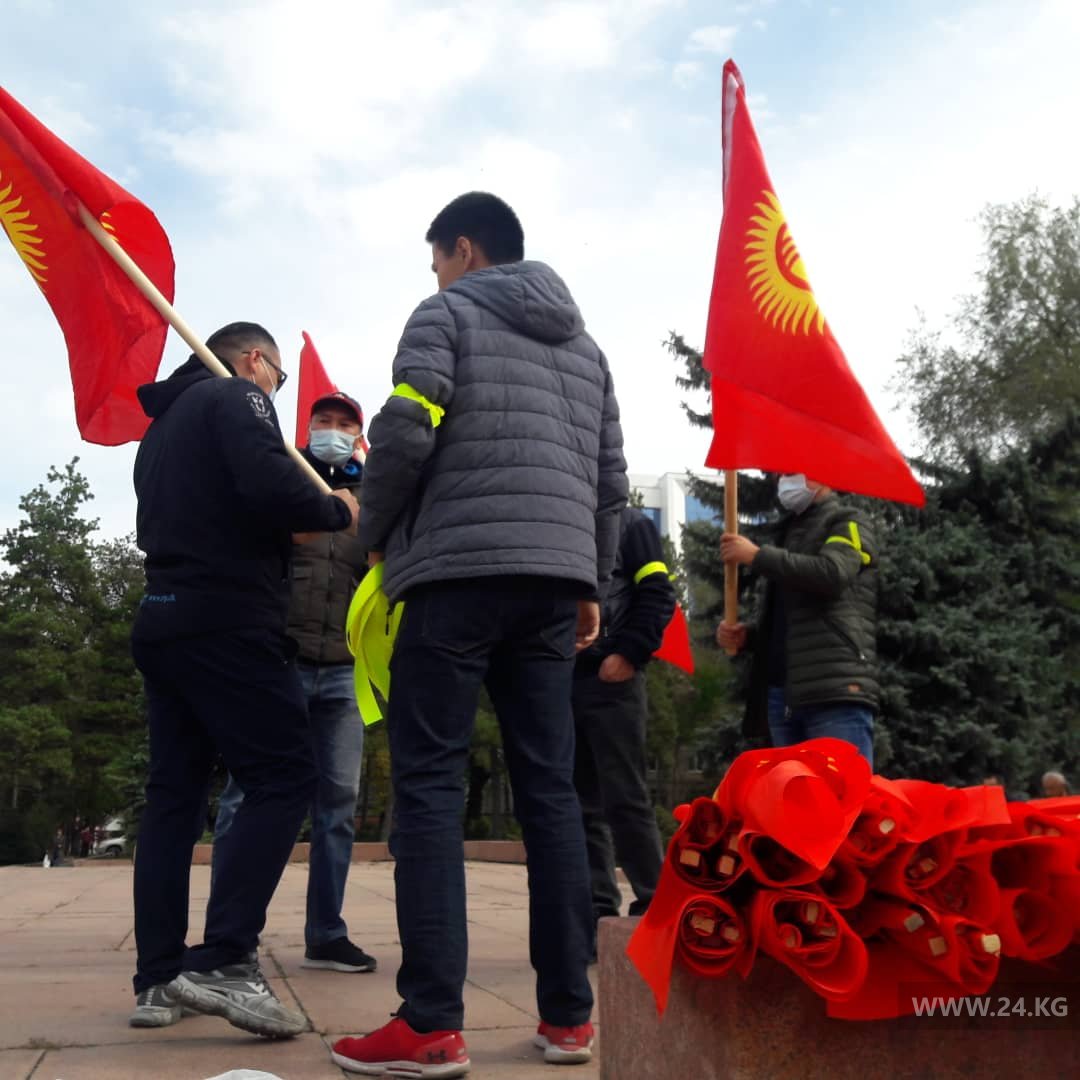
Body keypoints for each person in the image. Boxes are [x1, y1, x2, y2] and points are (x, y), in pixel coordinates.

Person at [330, 192, 627, 1076]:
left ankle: (429, 1024)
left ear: (463, 249)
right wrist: (591, 581)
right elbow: (609, 478)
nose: (434, 277)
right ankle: (569, 1018)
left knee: (428, 785)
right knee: (550, 793)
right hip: (552, 587)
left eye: (436, 261)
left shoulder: (446, 315)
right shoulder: (588, 349)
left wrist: (373, 532)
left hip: (455, 576)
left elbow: (407, 426)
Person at [128, 322, 359, 1037]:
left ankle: (159, 977)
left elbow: (226, 504)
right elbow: (269, 484)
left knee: (173, 800)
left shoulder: (160, 430)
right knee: (286, 776)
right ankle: (226, 959)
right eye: (279, 381)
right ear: (255, 361)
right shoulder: (237, 396)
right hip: (227, 620)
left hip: (164, 617)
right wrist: (336, 509)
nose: (276, 394)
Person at [213, 390, 376, 976]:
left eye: (344, 423)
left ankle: (326, 933)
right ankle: (227, 935)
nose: (333, 430)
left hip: (345, 671)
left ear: (357, 436)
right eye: (323, 420)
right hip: (276, 662)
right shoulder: (281, 480)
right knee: (243, 796)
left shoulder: (375, 497)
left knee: (339, 806)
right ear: (306, 427)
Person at [716, 474, 878, 765]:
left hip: (833, 693)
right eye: (781, 475)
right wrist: (748, 636)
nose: (783, 481)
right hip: (784, 696)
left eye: (791, 473)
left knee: (842, 791)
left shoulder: (847, 521)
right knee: (795, 795)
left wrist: (757, 556)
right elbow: (794, 618)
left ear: (820, 475)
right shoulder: (789, 531)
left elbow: (833, 573)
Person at [572, 506, 675, 952]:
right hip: (561, 677)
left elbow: (657, 593)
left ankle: (656, 907)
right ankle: (597, 911)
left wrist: (630, 653)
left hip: (613, 678)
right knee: (580, 805)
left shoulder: (633, 525)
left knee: (625, 797)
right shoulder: (562, 516)